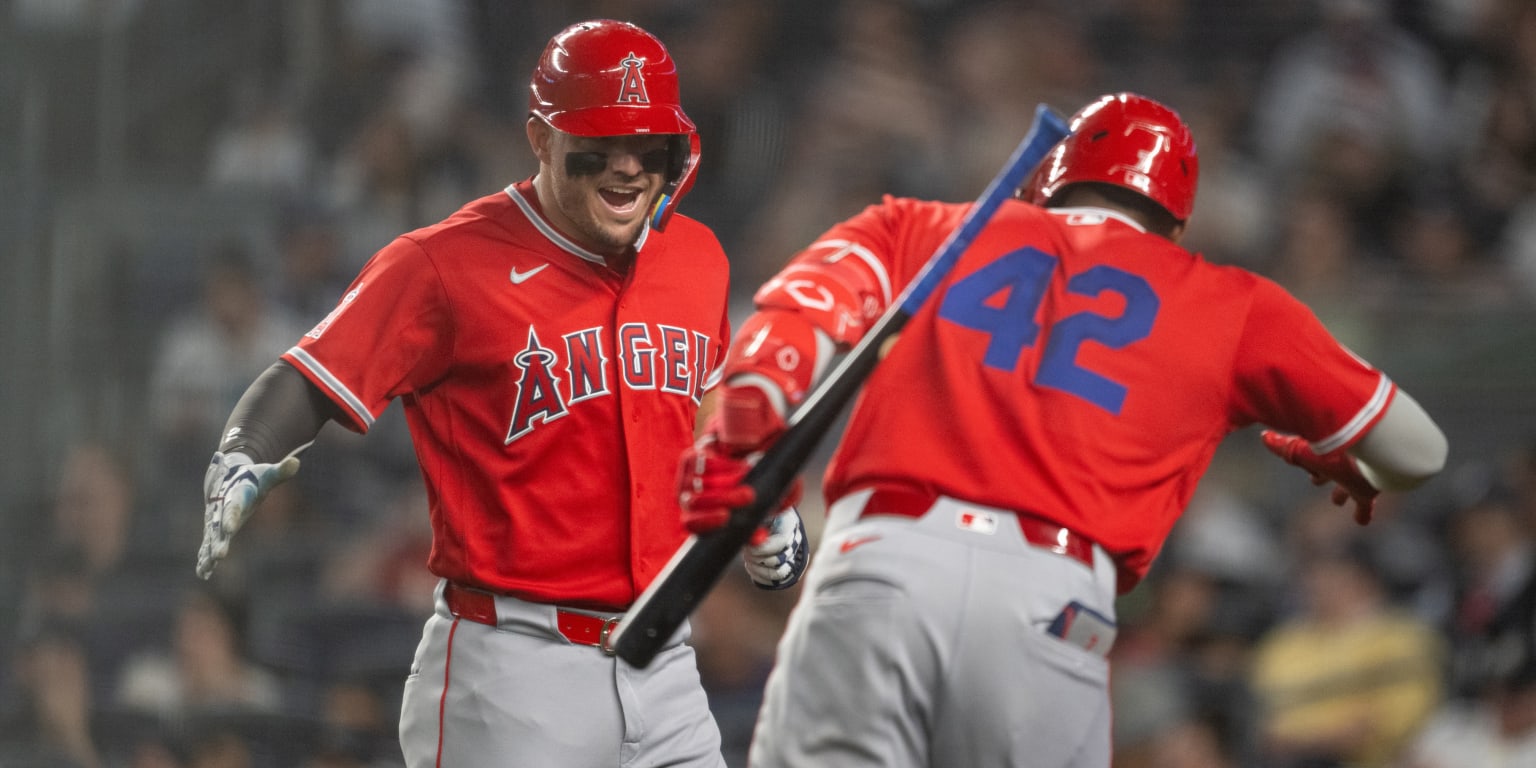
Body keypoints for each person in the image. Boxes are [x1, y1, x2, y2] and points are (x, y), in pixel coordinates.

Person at [676, 92, 1448, 767]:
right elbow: (1421, 450)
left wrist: (738, 437)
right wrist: (1349, 464)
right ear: (1176, 214)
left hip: (882, 565)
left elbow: (788, 331)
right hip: (1051, 598)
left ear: (1054, 177)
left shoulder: (926, 226)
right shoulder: (1236, 304)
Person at [194, 19, 806, 767]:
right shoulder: (443, 264)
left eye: (647, 146)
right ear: (542, 140)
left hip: (668, 663)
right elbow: (314, 376)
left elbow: (707, 410)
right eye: (599, 145)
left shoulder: (697, 259)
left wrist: (762, 504)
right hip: (514, 672)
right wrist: (245, 450)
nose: (626, 168)